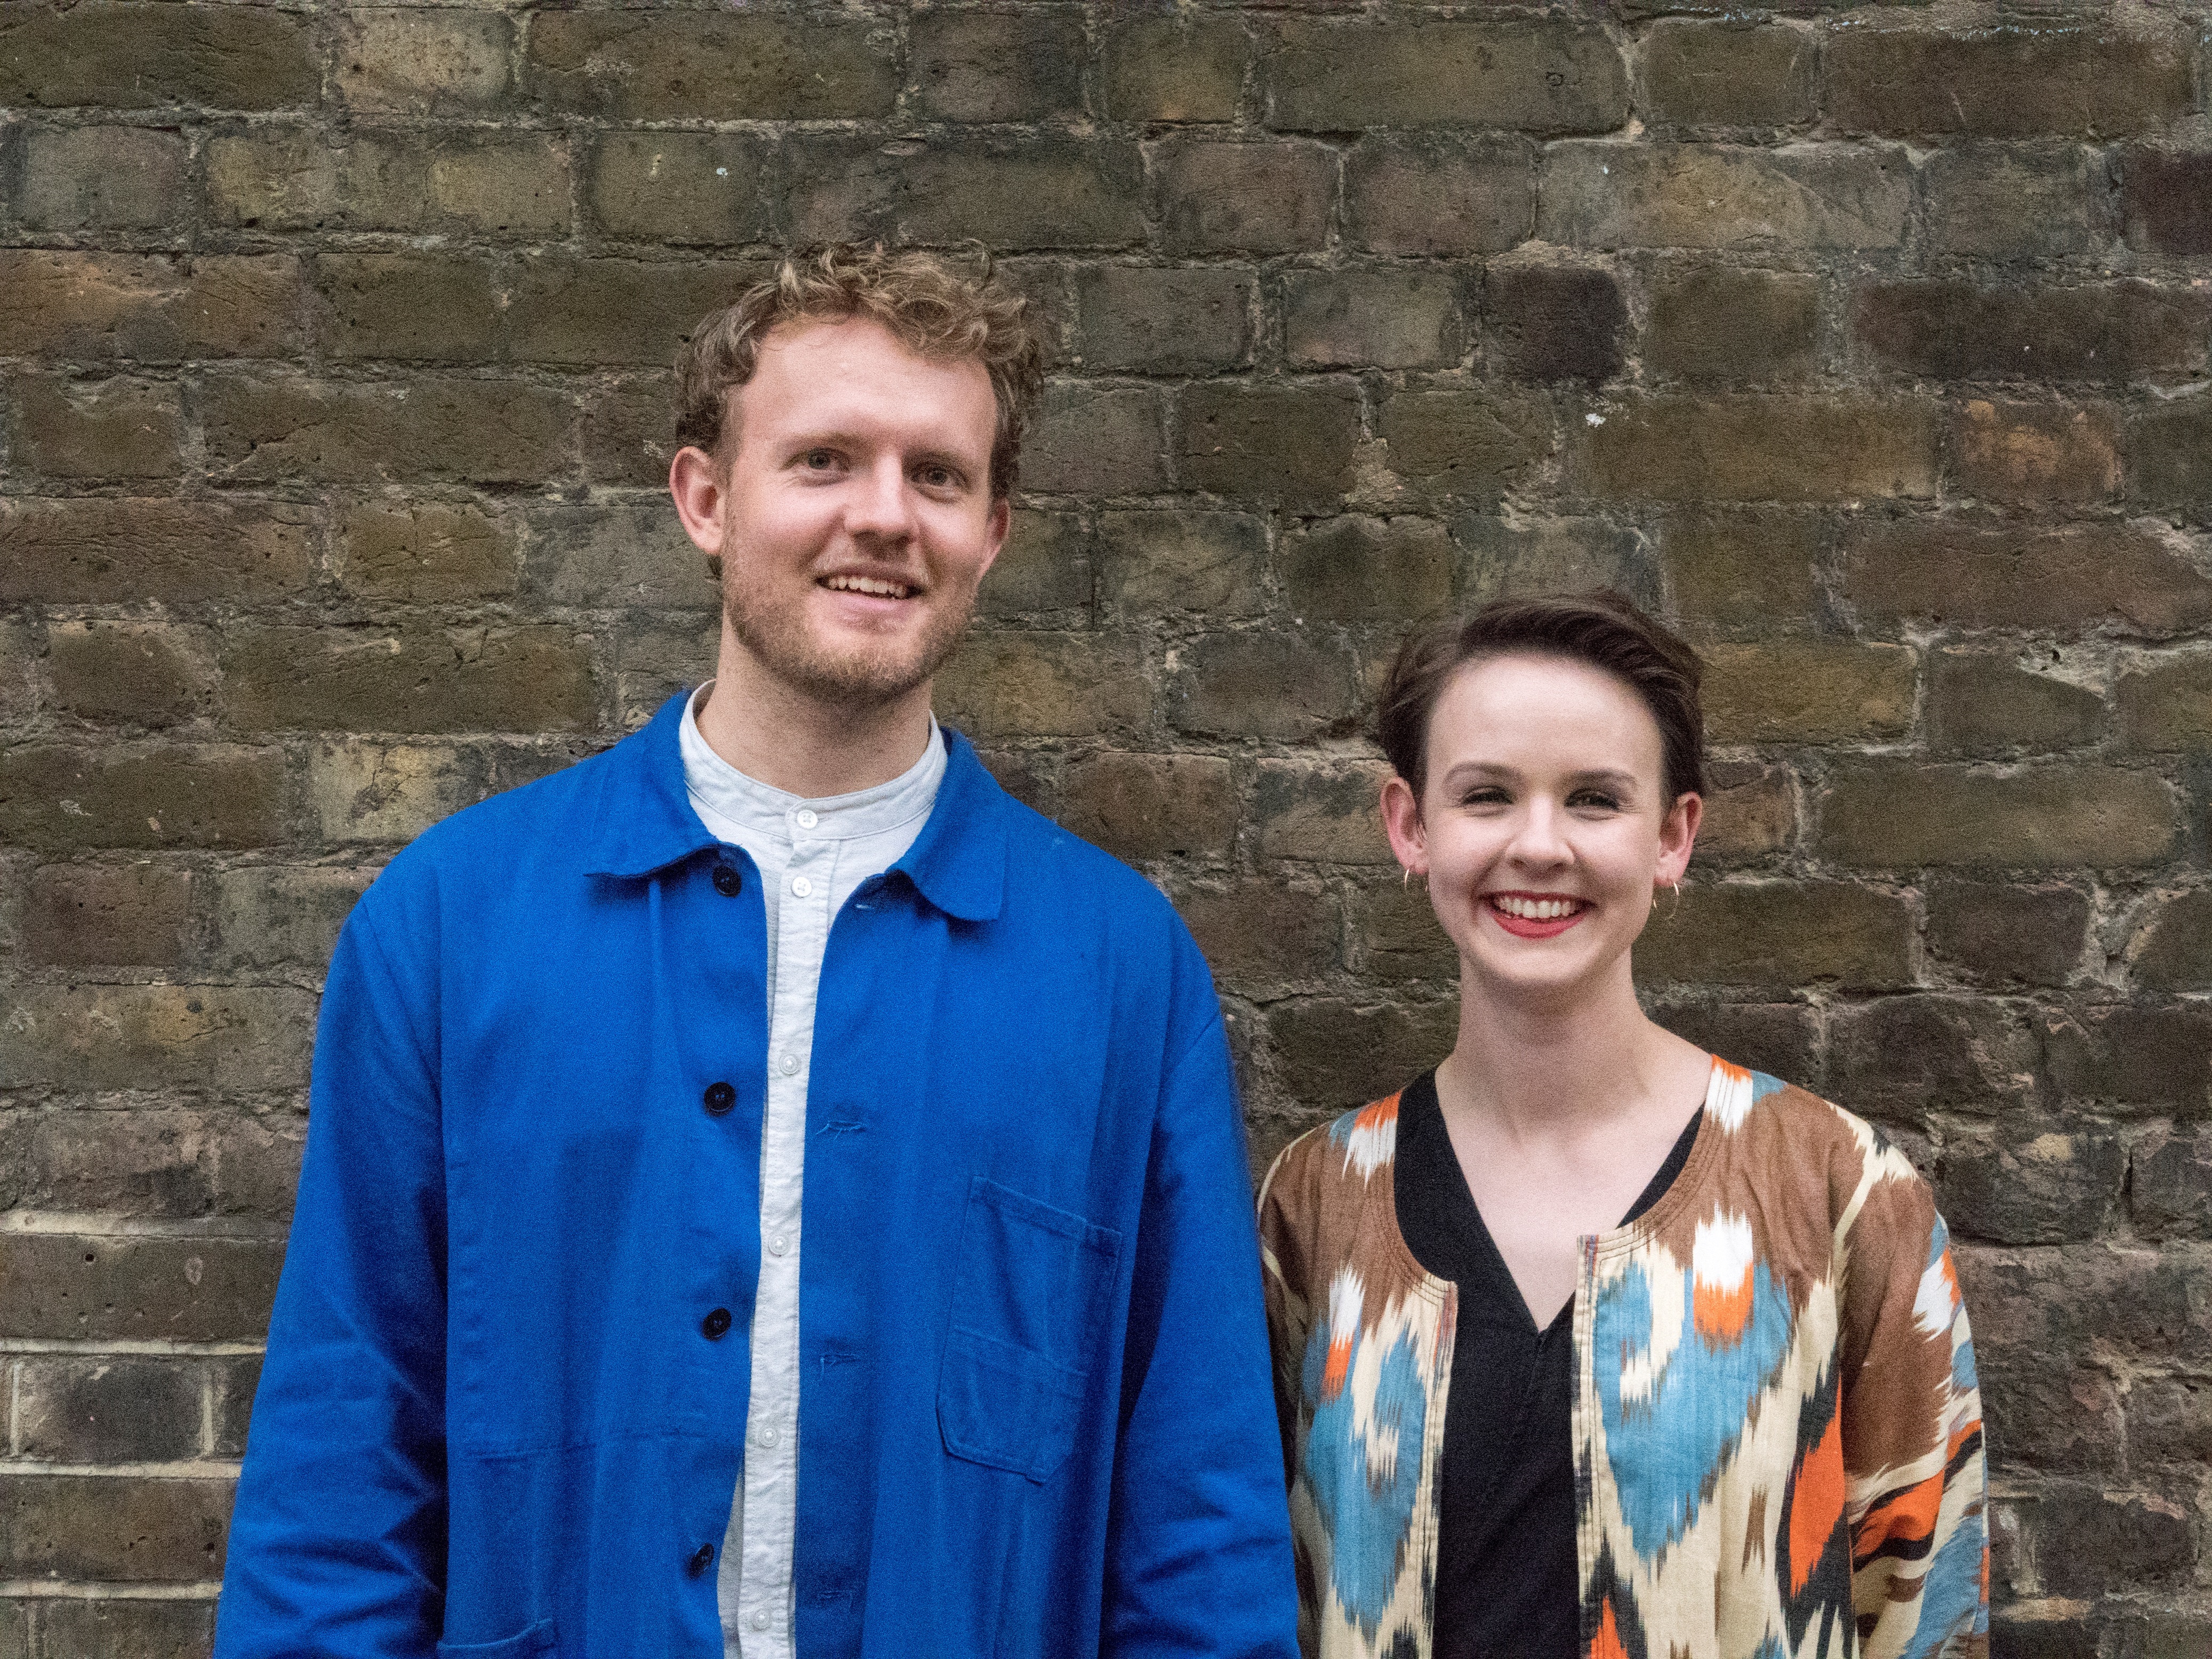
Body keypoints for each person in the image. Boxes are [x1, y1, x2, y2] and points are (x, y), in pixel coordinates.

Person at [215, 245, 1297, 1659]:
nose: (883, 516)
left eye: (938, 475)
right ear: (706, 500)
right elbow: (340, 1475)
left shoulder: (1117, 971)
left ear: (994, 531)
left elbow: (1195, 1516)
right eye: (825, 460)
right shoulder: (453, 927)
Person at [1257, 593, 1987, 1659]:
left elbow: (1924, 1610)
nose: (1538, 844)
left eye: (1595, 798)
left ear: (1672, 835)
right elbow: (1261, 1590)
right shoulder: (1315, 1203)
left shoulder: (1838, 1190)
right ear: (1410, 826)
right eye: (1487, 795)